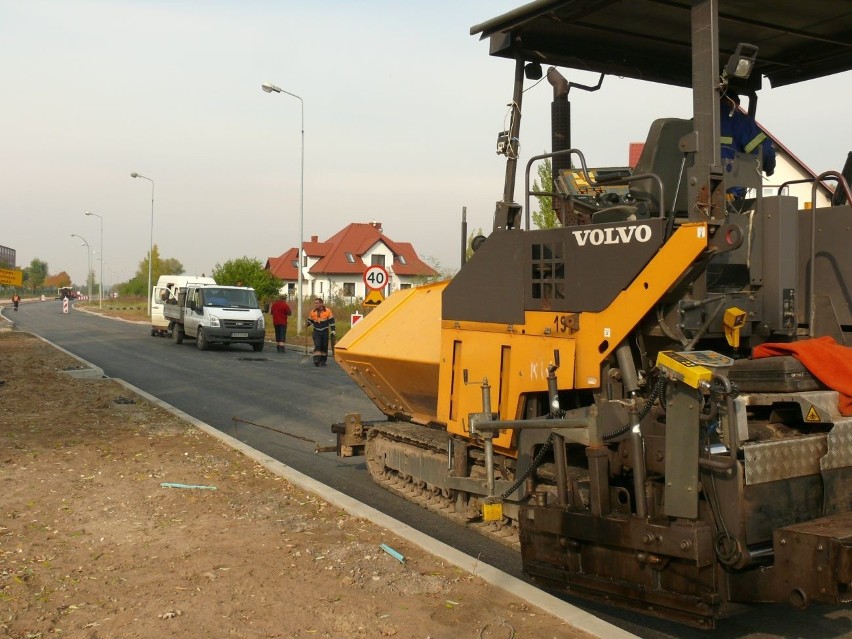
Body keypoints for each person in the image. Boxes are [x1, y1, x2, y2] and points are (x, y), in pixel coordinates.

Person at [720, 93, 776, 200]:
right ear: (732, 103)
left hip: (695, 193)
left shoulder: (695, 123)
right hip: (729, 194)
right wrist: (769, 168)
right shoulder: (740, 122)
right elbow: (764, 151)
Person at [305, 298, 335, 367]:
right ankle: (316, 360)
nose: (316, 305)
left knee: (324, 346)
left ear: (321, 304)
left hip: (325, 331)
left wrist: (333, 330)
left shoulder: (328, 311)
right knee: (317, 345)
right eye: (315, 303)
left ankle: (323, 361)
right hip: (316, 331)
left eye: (317, 303)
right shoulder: (312, 312)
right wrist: (307, 323)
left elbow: (332, 321)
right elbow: (310, 320)